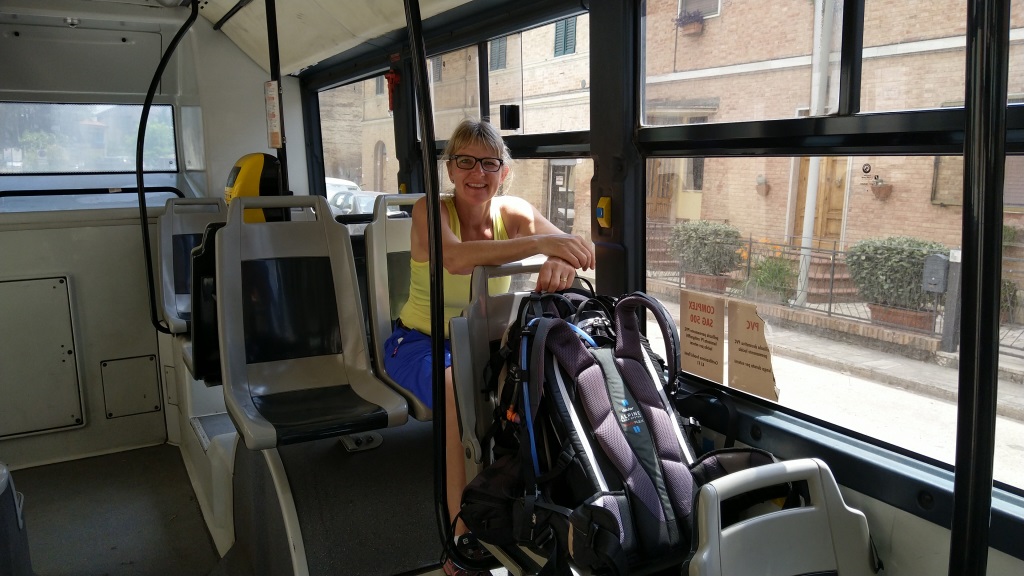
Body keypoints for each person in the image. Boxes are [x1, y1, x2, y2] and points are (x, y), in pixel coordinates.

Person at [382, 119, 595, 576]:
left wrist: (559, 258)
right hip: (419, 342)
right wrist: (544, 243)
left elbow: (576, 248)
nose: (477, 173)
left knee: (541, 385)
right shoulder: (430, 210)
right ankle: (461, 533)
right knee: (456, 389)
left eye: (489, 163)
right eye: (465, 161)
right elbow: (456, 258)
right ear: (450, 169)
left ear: (505, 172)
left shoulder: (513, 213)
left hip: (484, 344)